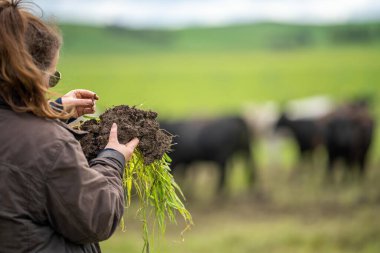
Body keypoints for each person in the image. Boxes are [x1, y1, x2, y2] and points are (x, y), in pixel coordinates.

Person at [0, 1, 139, 252]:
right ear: (30, 73)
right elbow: (97, 217)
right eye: (52, 76)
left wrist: (50, 111)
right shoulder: (51, 145)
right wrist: (112, 160)